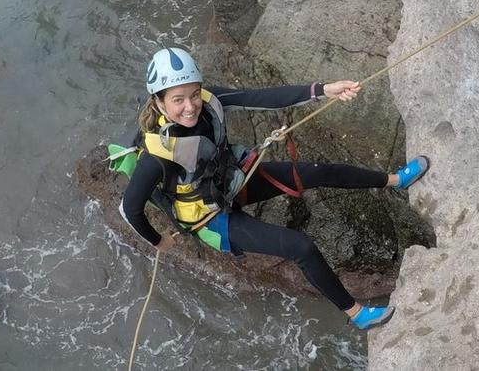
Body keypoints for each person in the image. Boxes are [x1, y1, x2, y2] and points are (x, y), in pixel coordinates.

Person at [118, 48, 429, 330]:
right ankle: (357, 314)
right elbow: (130, 209)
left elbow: (261, 98)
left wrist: (322, 90)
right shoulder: (156, 157)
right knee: (300, 247)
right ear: (158, 101)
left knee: (317, 171)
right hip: (211, 218)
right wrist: (159, 241)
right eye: (177, 100)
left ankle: (395, 181)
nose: (190, 107)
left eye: (193, 94)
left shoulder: (209, 104)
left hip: (230, 181)